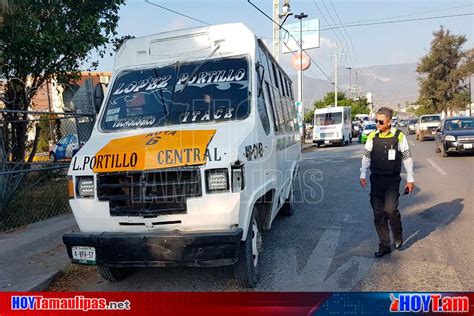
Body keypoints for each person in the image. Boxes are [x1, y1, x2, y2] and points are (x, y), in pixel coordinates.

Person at [359, 107, 415, 258]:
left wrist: (410, 179)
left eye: (380, 121)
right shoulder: (372, 136)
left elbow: (407, 158)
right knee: (378, 214)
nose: (377, 123)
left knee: (390, 210)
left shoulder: (399, 136)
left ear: (389, 121)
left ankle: (398, 236)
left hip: (392, 179)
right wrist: (363, 173)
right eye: (376, 120)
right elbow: (366, 156)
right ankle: (384, 245)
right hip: (376, 179)